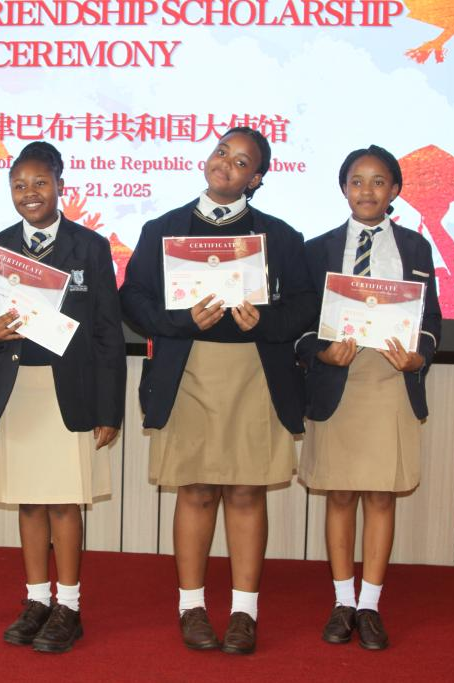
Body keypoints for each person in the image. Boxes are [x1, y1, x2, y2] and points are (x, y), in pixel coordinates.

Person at [119, 127, 315, 654]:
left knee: (248, 491)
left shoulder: (280, 236)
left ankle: (245, 612)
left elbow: (305, 305)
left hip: (255, 373)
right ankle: (192, 607)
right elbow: (132, 298)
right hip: (188, 372)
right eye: (221, 151)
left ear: (257, 179)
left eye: (242, 161)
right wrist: (177, 320)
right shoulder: (164, 228)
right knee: (197, 490)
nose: (226, 162)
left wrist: (266, 320)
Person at [0, 141, 126, 654]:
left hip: (70, 392)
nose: (29, 193)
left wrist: (110, 408)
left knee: (64, 501)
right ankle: (37, 600)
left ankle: (69, 607)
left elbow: (108, 333)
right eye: (19, 185)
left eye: (40, 183)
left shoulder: (90, 247)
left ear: (60, 185)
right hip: (18, 391)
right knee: (29, 501)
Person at [295, 144, 442, 650]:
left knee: (381, 494)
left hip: (390, 380)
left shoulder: (416, 248)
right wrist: (321, 352)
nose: (367, 190)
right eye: (357, 181)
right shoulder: (316, 250)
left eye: (379, 181)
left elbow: (432, 319)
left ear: (395, 190)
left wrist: (419, 357)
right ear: (344, 189)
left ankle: (370, 606)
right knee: (340, 493)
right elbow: (299, 325)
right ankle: (342, 602)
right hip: (338, 381)